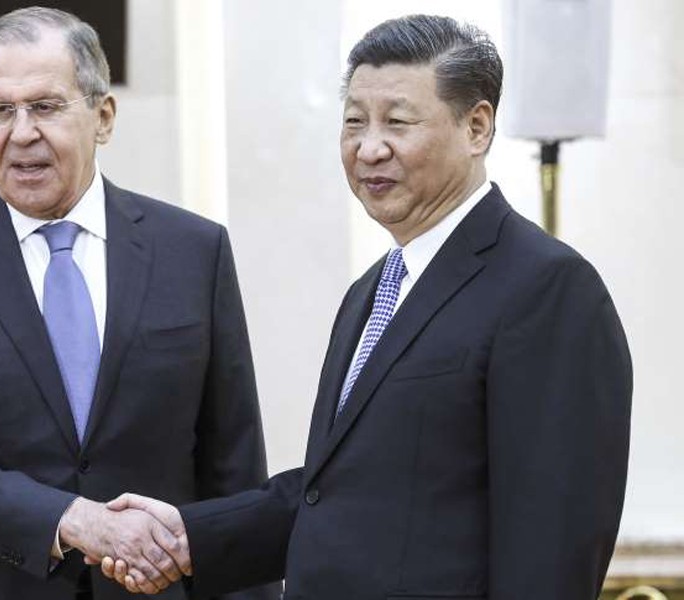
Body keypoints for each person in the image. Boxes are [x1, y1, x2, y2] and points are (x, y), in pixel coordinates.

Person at [95, 14, 633, 600]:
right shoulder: (372, 290)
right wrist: (185, 536)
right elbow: (338, 492)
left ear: (477, 127)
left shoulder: (547, 289)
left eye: (398, 123)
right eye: (354, 122)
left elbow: (551, 548)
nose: (369, 147)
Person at [0, 7, 279, 600]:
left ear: (103, 115)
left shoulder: (194, 250)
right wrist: (72, 520)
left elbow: (233, 463)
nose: (21, 132)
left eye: (45, 106)